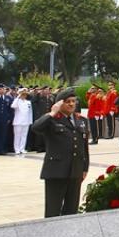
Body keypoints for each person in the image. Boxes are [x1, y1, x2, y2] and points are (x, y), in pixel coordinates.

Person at [32, 89, 90, 217]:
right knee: (53, 210)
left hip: (75, 171)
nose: (71, 104)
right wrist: (52, 112)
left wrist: (85, 168)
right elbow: (36, 127)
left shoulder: (81, 120)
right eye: (67, 101)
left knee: (71, 210)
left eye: (73, 101)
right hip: (56, 171)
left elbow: (84, 147)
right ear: (59, 103)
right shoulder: (52, 119)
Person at [11, 88, 34, 155]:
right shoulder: (17, 101)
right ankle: (17, 149)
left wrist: (30, 121)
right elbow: (13, 106)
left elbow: (30, 112)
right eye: (23, 94)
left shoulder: (28, 102)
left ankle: (22, 148)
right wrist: (18, 97)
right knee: (17, 136)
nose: (24, 96)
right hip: (18, 121)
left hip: (26, 121)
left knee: (24, 136)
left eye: (25, 94)